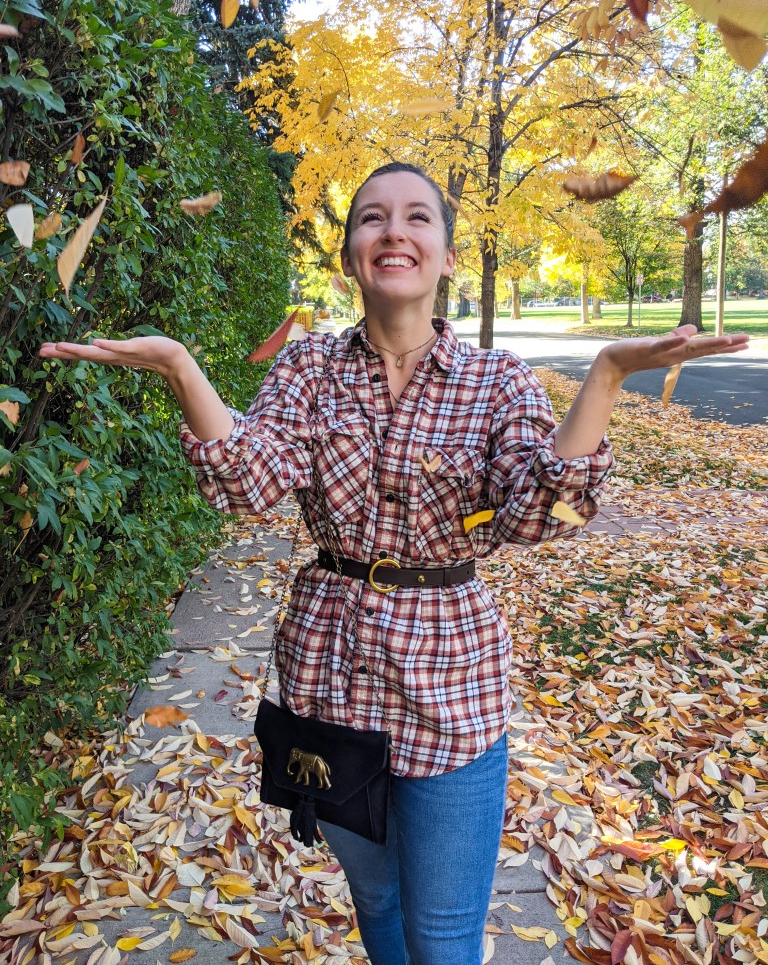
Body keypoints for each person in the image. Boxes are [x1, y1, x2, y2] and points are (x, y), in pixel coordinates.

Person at [39, 162, 749, 965]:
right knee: (375, 898)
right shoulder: (308, 369)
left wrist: (608, 376)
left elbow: (542, 514)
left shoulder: (496, 381)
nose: (393, 232)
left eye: (417, 217)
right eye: (372, 218)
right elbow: (249, 483)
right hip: (329, 682)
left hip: (452, 688)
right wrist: (180, 366)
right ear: (350, 255)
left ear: (448, 254)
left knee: (443, 937)